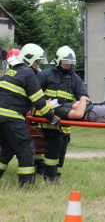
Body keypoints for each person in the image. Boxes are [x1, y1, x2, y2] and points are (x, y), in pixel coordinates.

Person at [0, 43, 60, 187]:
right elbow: (39, 101)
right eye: (37, 61)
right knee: (26, 149)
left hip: (2, 118)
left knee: (7, 150)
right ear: (30, 59)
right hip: (11, 118)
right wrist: (52, 117)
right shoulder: (28, 74)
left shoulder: (11, 72)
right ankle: (27, 185)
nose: (38, 65)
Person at [37, 45, 89, 181]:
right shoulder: (46, 74)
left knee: (62, 149)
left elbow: (83, 96)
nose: (67, 65)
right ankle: (49, 175)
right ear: (58, 61)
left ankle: (57, 175)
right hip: (49, 118)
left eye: (70, 63)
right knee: (53, 146)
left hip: (66, 120)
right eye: (65, 62)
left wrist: (82, 102)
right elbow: (34, 94)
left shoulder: (75, 78)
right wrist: (44, 102)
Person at [34, 96, 105, 124]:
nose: (48, 99)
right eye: (46, 101)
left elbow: (77, 107)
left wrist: (78, 103)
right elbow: (78, 114)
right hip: (95, 113)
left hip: (97, 109)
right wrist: (82, 99)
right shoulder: (58, 110)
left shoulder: (61, 106)